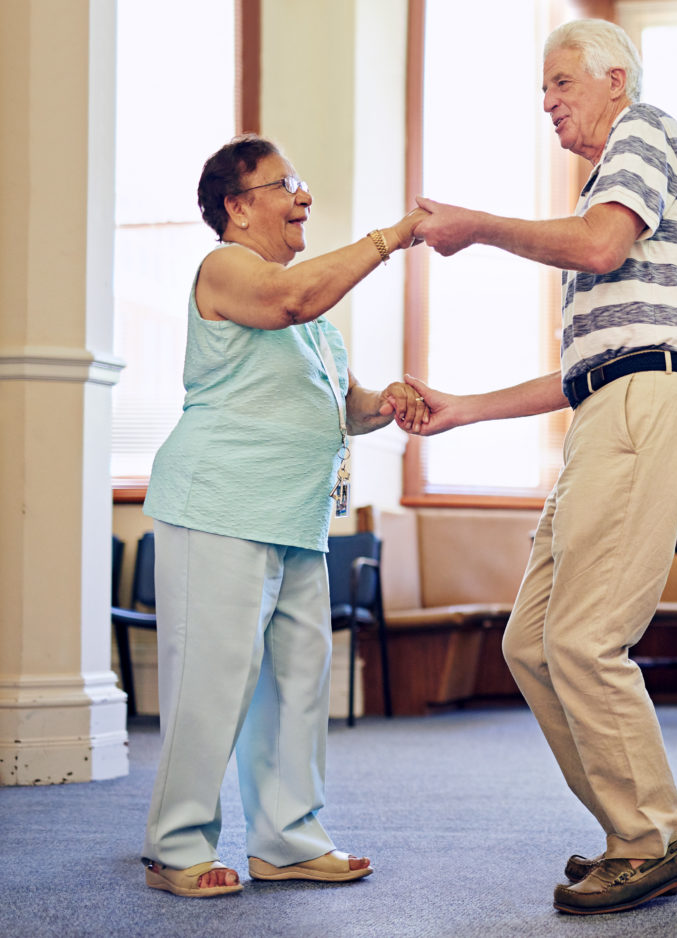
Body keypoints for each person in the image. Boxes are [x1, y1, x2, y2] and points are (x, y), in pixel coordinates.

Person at [408, 19, 677, 916]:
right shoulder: (607, 187)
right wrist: (464, 408)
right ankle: (634, 834)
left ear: (616, 79)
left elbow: (596, 245)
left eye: (559, 84)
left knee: (583, 639)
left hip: (647, 407)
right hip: (612, 407)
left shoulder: (644, 132)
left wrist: (478, 227)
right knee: (530, 640)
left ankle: (653, 836)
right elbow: (585, 368)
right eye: (544, 90)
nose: (547, 103)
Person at [140, 133, 428, 897]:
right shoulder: (228, 268)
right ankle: (178, 848)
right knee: (216, 680)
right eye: (286, 184)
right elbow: (292, 295)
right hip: (219, 505)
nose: (304, 198)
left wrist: (385, 407)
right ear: (237, 207)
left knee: (301, 682)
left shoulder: (316, 325)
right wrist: (393, 236)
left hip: (295, 519)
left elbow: (343, 408)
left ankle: (289, 840)